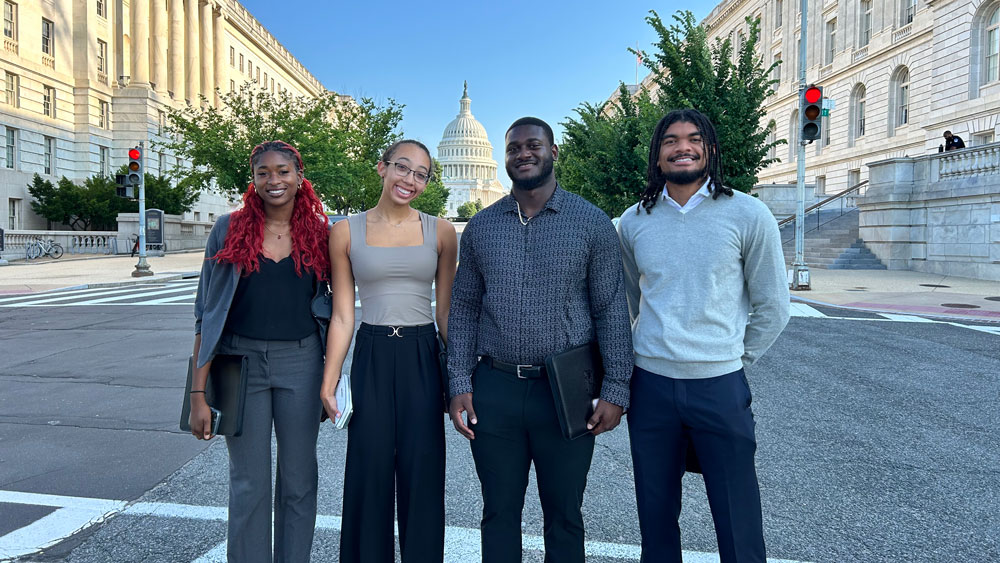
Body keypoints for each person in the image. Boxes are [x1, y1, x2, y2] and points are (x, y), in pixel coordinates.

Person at [447, 117, 633, 562]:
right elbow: (465, 308)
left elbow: (611, 308)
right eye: (514, 148)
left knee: (565, 514)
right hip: (496, 387)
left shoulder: (590, 223)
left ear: (553, 153)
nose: (523, 154)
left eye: (533, 146)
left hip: (566, 390)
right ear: (505, 158)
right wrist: (458, 382)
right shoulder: (482, 227)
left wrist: (616, 389)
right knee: (498, 512)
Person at [617, 109, 790, 563]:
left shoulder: (749, 213)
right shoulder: (633, 222)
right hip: (650, 386)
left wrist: (732, 358)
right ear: (657, 157)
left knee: (738, 516)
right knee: (655, 517)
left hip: (720, 386)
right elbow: (628, 302)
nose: (682, 147)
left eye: (693, 139)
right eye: (670, 141)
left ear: (709, 148)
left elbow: (774, 306)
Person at [189, 140, 331, 562]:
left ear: (299, 176)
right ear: (252, 181)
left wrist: (332, 376)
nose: (274, 180)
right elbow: (205, 314)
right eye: (263, 173)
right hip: (239, 364)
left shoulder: (321, 233)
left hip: (302, 363)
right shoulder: (228, 229)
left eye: (283, 171)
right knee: (248, 481)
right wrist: (198, 394)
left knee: (299, 479)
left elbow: (339, 310)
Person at [321, 139, 457, 563]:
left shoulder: (442, 232)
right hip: (373, 353)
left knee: (423, 472)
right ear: (382, 168)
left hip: (422, 355)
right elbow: (343, 315)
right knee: (369, 470)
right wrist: (330, 381)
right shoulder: (345, 231)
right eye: (403, 167)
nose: (410, 180)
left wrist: (462, 382)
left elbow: (446, 314)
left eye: (421, 174)